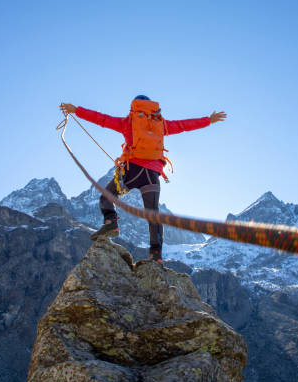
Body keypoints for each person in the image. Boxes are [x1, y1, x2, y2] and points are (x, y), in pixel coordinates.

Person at [59, 95, 226, 262]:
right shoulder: (161, 124)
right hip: (152, 175)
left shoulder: (128, 122)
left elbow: (102, 119)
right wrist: (208, 120)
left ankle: (111, 222)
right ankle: (156, 255)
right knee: (153, 215)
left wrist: (76, 110)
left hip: (132, 172)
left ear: (134, 108)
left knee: (107, 196)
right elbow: (183, 126)